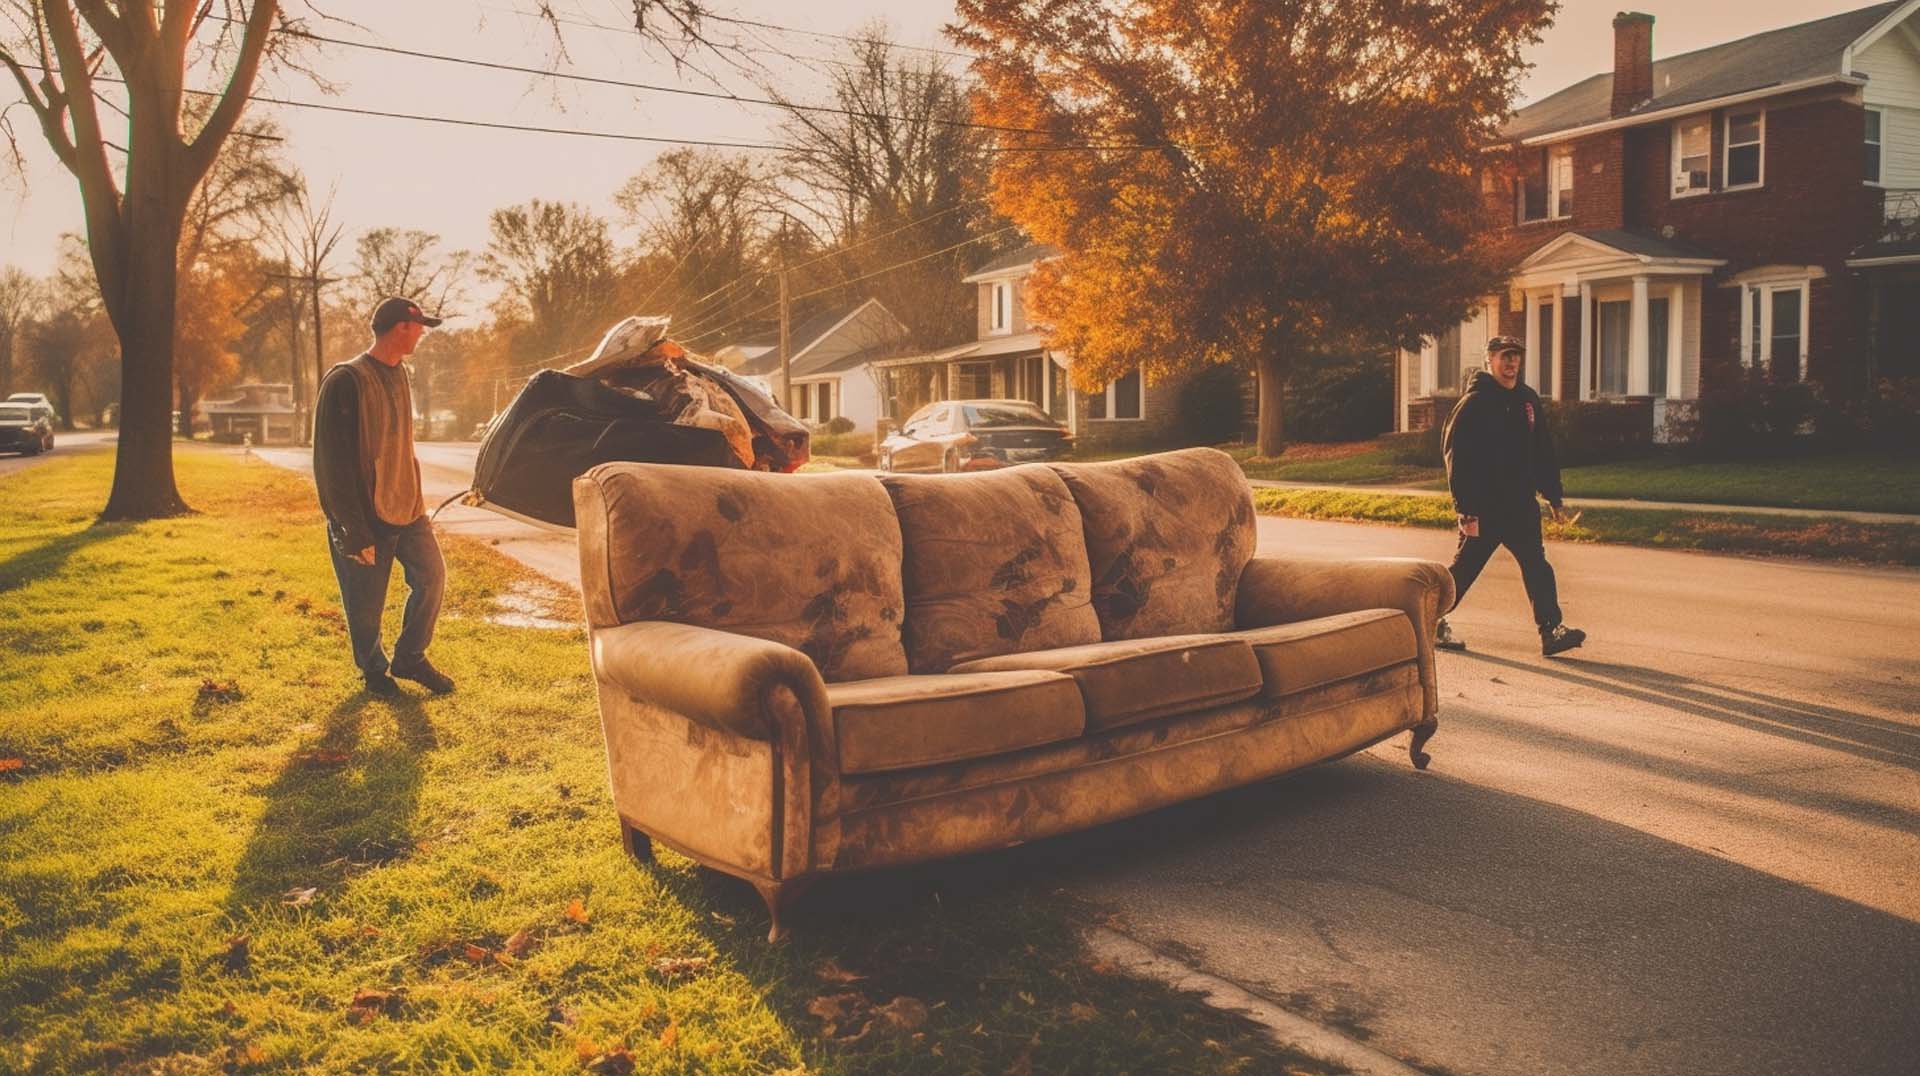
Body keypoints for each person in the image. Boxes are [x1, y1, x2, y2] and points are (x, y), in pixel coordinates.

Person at [313, 297, 456, 696]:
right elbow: (331, 463)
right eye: (419, 327)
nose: (422, 334)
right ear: (400, 328)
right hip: (365, 514)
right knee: (365, 605)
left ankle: (410, 658)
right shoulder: (346, 380)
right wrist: (353, 530)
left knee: (432, 577)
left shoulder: (402, 374)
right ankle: (374, 672)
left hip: (408, 508)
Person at [1435, 334, 1586, 657]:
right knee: (1464, 570)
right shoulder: (1474, 403)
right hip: (1485, 509)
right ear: (1490, 360)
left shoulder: (1527, 400)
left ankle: (1551, 631)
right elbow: (1456, 457)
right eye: (1505, 356)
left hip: (1520, 506)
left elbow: (1542, 451)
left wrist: (1554, 498)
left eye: (1516, 356)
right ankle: (1430, 619)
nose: (1511, 363)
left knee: (1537, 567)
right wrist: (1466, 510)